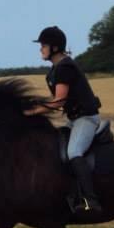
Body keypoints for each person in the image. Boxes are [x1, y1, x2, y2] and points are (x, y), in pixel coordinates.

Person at [24, 26, 103, 214]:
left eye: (43, 45)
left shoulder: (65, 67)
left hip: (86, 119)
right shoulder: (54, 70)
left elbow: (59, 101)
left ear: (55, 47)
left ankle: (90, 200)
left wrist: (34, 111)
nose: (41, 49)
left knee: (75, 151)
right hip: (74, 120)